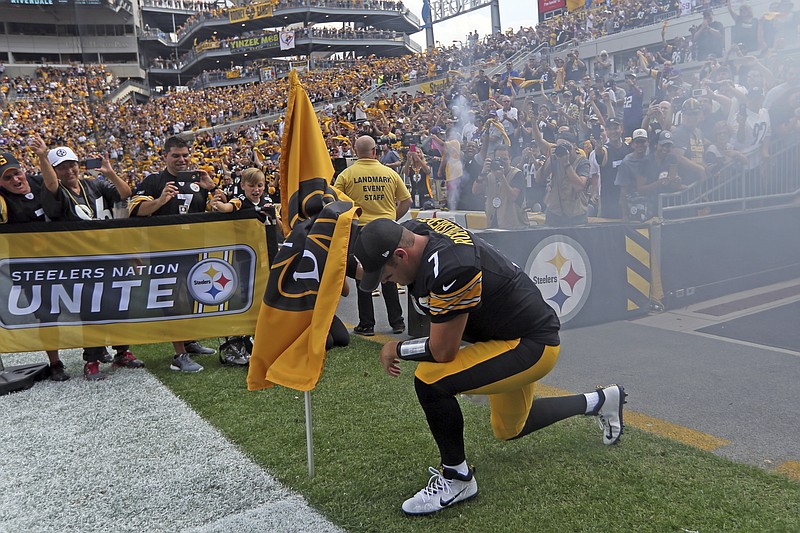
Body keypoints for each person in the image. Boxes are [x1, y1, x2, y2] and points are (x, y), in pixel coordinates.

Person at [352, 216, 626, 516]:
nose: (390, 283)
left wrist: (396, 348)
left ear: (402, 255)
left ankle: (457, 478)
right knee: (508, 428)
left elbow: (442, 350)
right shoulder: (417, 232)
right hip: (507, 333)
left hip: (531, 344)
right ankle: (601, 401)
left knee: (430, 379)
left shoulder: (451, 268)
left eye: (388, 276)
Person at [31, 140, 144, 380]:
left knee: (118, 306)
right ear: (54, 170)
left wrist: (111, 173)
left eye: (72, 165)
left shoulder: (92, 186)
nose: (69, 171)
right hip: (81, 261)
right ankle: (91, 360)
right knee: (91, 311)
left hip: (110, 257)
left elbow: (125, 194)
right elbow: (51, 184)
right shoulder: (55, 190)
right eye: (62, 167)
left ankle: (122, 351)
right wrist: (42, 157)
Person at [128, 136, 219, 372]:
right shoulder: (154, 181)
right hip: (164, 252)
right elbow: (136, 210)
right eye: (176, 155)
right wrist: (160, 200)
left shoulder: (197, 181)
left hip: (194, 249)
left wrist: (212, 188)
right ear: (165, 156)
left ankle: (188, 341)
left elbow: (219, 208)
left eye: (185, 155)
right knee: (173, 300)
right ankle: (179, 355)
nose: (182, 160)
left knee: (190, 296)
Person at [332, 135, 411, 336]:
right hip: (388, 229)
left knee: (363, 276)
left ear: (355, 151)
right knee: (390, 275)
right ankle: (397, 322)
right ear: (375, 151)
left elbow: (334, 204)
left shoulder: (346, 175)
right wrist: (393, 218)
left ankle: (367, 324)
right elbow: (406, 200)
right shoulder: (389, 173)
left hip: (361, 230)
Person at [0, 150, 69, 381]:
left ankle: (95, 351)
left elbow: (55, 185)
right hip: (31, 266)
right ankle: (55, 362)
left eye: (16, 173)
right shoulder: (3, 201)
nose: (15, 180)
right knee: (47, 314)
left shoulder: (40, 181)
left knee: (88, 305)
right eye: (6, 178)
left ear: (23, 170)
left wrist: (42, 156)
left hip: (65, 257)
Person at [536, 133, 592, 226]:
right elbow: (539, 179)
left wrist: (566, 164)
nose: (562, 149)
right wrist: (550, 159)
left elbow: (579, 186)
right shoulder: (555, 159)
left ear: (574, 146)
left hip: (576, 214)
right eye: (559, 146)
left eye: (565, 146)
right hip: (555, 212)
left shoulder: (582, 162)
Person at [472, 144, 527, 229]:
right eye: (498, 159)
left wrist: (502, 178)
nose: (502, 162)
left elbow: (513, 197)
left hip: (514, 226)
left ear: (510, 159)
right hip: (493, 223)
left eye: (505, 159)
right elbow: (475, 191)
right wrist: (482, 173)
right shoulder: (490, 175)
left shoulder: (517, 174)